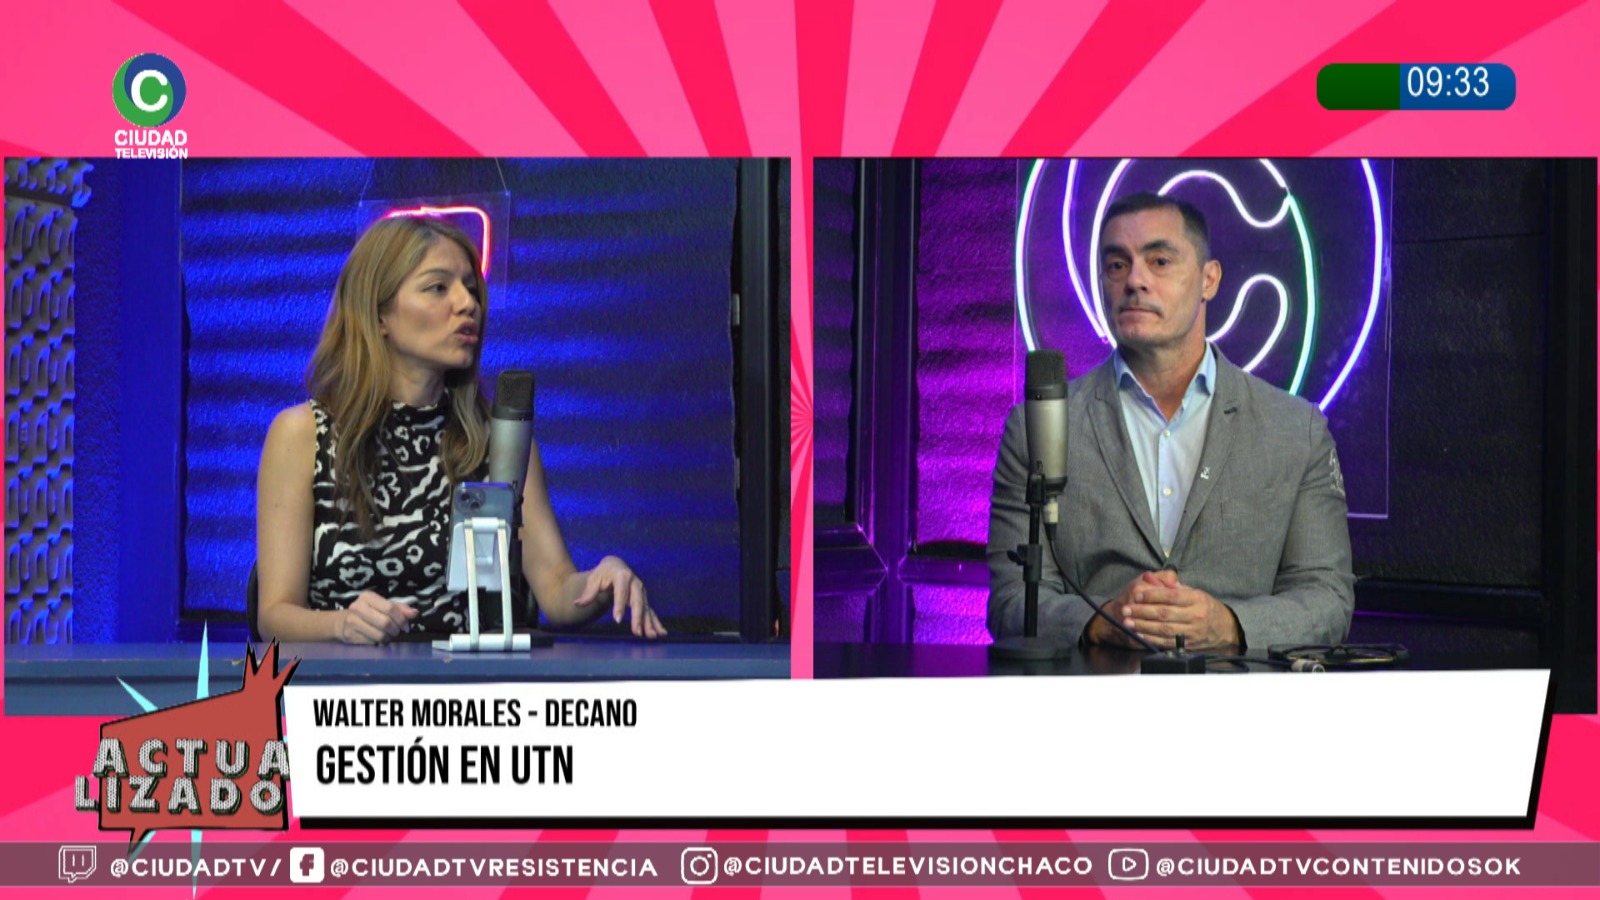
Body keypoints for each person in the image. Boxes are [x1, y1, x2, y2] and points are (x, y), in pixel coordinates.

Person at [256, 216, 666, 643]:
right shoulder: (303, 435)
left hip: (465, 682)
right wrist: (339, 624)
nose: (467, 303)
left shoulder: (500, 443)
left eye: (471, 288)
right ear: (378, 316)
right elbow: (274, 615)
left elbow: (558, 590)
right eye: (438, 287)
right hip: (344, 681)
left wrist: (603, 581)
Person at [988, 192, 1354, 651]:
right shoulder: (1036, 430)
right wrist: (1100, 622)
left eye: (1159, 261)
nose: (1134, 280)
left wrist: (1229, 625)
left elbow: (1328, 600)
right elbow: (1010, 603)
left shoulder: (1297, 431)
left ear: (1208, 280)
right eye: (1117, 265)